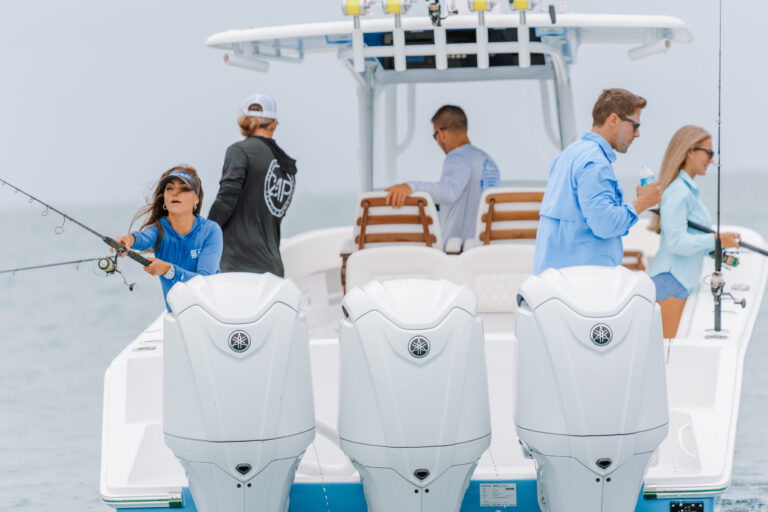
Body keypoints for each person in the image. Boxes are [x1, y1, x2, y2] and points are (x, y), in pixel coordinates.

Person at [533, 88, 661, 273]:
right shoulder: (595, 162)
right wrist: (643, 202)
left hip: (558, 276)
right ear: (614, 120)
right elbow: (605, 225)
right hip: (582, 280)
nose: (637, 134)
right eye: (635, 126)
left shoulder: (568, 154)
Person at [648, 126, 740, 338]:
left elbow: (692, 238)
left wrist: (719, 245)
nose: (711, 160)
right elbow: (676, 242)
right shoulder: (678, 192)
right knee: (666, 350)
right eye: (708, 153)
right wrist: (716, 239)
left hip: (679, 282)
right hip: (670, 281)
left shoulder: (687, 192)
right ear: (689, 152)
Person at [208, 94, 297, 276]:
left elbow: (226, 200)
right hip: (272, 268)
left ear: (244, 122)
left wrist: (202, 236)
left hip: (237, 266)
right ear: (273, 124)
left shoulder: (240, 151)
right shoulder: (287, 166)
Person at [384, 105, 500, 241]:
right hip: (486, 246)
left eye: (435, 136)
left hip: (459, 249)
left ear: (442, 133)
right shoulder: (489, 162)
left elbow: (449, 191)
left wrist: (411, 187)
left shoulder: (457, 157)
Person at [114, 167, 223, 311]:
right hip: (178, 315)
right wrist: (128, 240)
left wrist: (168, 270)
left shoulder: (211, 231)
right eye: (170, 188)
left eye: (184, 189)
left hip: (213, 312)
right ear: (165, 198)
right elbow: (143, 237)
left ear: (196, 199)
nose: (175, 193)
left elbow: (204, 281)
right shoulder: (158, 230)